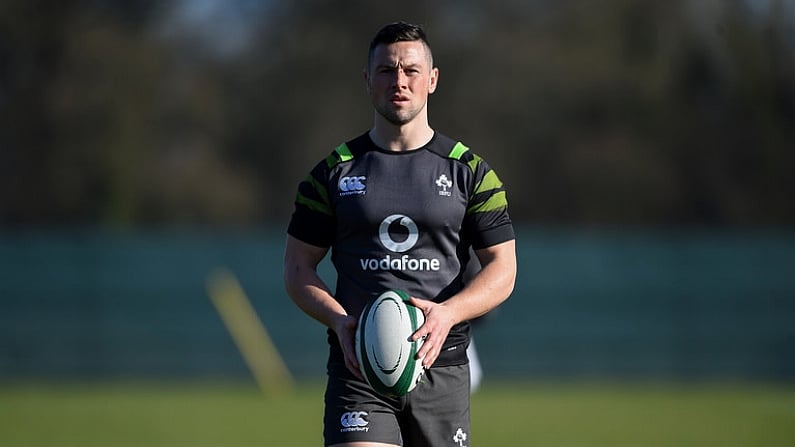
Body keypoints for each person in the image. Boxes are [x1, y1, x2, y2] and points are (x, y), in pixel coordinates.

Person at [283, 21, 517, 447]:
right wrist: (339, 321)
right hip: (358, 369)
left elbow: (503, 268)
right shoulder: (332, 174)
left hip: (442, 368)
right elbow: (298, 267)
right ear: (368, 80)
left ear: (432, 79)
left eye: (411, 70)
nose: (400, 82)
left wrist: (449, 314)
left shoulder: (471, 173)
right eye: (387, 70)